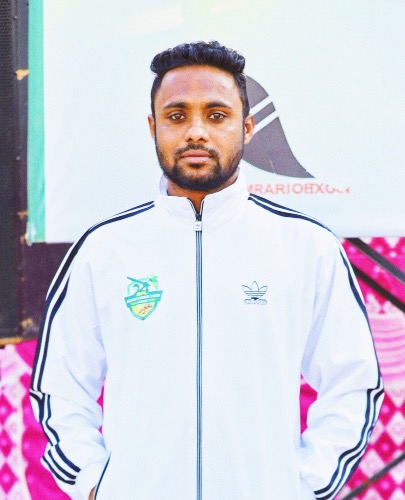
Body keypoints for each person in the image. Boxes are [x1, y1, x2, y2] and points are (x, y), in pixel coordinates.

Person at [31, 40, 383, 500]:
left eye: (217, 115)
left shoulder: (306, 247)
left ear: (248, 127)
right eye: (177, 116)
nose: (196, 132)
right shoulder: (104, 250)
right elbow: (60, 389)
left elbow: (353, 383)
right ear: (153, 126)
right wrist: (97, 485)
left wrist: (304, 486)